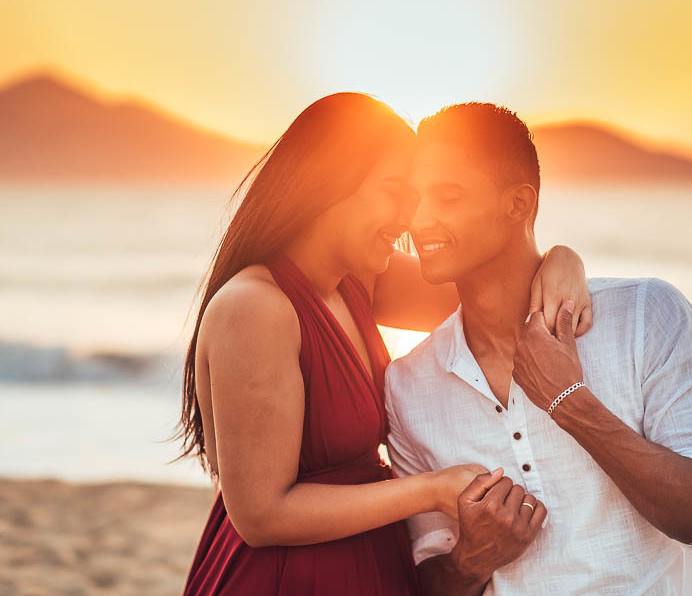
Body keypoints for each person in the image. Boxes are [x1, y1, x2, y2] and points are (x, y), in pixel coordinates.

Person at [171, 93, 593, 595]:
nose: (411, 217)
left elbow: (493, 284)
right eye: (396, 191)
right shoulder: (255, 307)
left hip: (368, 566)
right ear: (330, 184)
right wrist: (433, 490)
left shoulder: (358, 283)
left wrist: (563, 260)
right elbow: (261, 515)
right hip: (284, 580)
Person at [385, 102, 692, 595]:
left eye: (448, 196)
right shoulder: (408, 384)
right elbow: (429, 577)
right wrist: (469, 561)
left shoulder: (646, 315)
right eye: (414, 198)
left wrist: (571, 402)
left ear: (519, 205)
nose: (419, 219)